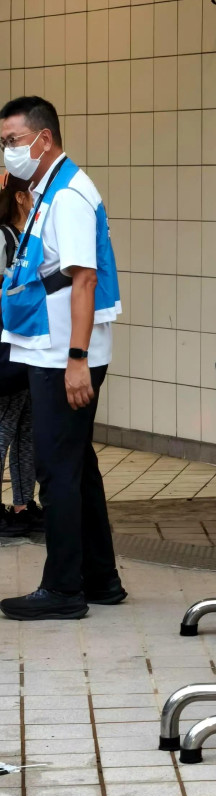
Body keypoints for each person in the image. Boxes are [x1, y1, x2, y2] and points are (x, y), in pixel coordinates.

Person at [0, 96, 124, 621]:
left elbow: (84, 279)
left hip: (63, 353)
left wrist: (77, 359)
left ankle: (63, 589)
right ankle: (101, 579)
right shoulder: (49, 188)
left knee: (56, 469)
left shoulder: (69, 194)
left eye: (12, 141)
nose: (7, 151)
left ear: (43, 139)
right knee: (77, 464)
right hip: (49, 346)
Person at [0, 174, 42, 538]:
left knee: (27, 429)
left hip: (29, 347)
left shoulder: (30, 236)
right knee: (3, 428)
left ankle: (23, 503)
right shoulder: (4, 237)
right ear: (19, 197)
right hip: (6, 349)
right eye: (32, 191)